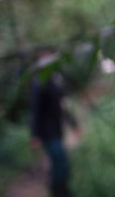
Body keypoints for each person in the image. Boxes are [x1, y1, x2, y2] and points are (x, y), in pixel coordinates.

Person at [30, 50, 79, 197]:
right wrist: (35, 135)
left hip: (57, 129)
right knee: (61, 163)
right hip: (47, 132)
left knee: (60, 163)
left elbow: (63, 105)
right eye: (44, 58)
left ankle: (61, 191)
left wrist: (73, 123)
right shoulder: (39, 82)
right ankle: (59, 192)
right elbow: (35, 110)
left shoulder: (56, 79)